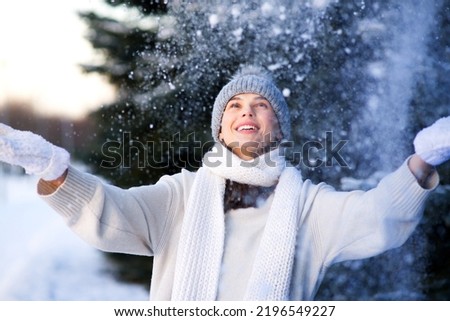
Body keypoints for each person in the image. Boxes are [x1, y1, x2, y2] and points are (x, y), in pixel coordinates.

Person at [0, 66, 449, 301]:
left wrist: (421, 160)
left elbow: (378, 218)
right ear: (221, 129)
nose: (246, 112)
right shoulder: (180, 195)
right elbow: (113, 215)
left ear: (279, 126)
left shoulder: (310, 207)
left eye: (260, 105)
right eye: (234, 105)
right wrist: (51, 168)